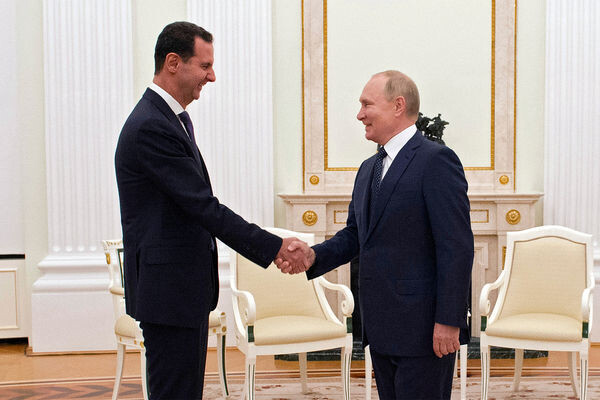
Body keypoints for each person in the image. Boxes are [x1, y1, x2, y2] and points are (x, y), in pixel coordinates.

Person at [115, 21, 305, 399]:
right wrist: (274, 246)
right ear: (173, 62)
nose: (212, 76)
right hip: (168, 293)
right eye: (205, 66)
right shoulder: (152, 126)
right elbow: (202, 207)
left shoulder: (167, 119)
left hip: (179, 291)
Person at [277, 70, 474, 399]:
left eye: (367, 104)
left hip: (425, 330)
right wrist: (313, 255)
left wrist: (449, 320)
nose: (360, 114)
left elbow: (456, 246)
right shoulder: (369, 168)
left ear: (398, 105)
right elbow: (356, 235)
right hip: (380, 328)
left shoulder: (437, 160)